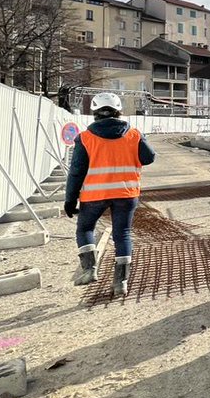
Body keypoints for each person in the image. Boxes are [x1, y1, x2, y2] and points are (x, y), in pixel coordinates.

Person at [65, 92, 156, 296]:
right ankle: (120, 282)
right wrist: (139, 139)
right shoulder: (133, 134)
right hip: (126, 194)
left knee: (85, 228)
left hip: (94, 196)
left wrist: (70, 199)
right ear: (119, 112)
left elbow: (76, 171)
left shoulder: (85, 138)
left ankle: (89, 270)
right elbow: (149, 157)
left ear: (95, 112)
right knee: (122, 234)